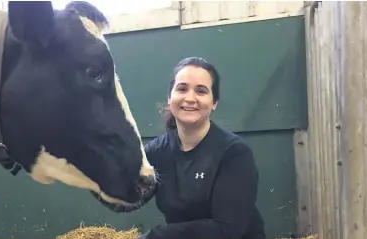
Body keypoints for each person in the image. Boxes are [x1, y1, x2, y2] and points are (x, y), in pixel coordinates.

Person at [95, 56, 265, 239]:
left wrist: (153, 237)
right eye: (182, 88)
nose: (190, 98)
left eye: (201, 91)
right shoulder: (157, 152)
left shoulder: (234, 153)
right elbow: (126, 199)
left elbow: (226, 229)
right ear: (170, 97)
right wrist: (92, 172)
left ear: (214, 102)